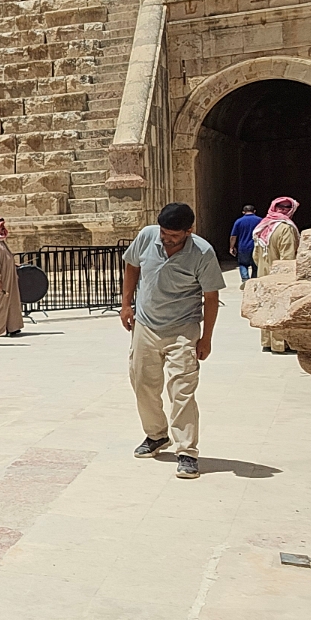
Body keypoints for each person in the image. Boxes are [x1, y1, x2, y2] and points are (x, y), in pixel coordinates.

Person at [122, 201, 225, 480]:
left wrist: (206, 338)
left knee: (182, 390)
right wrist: (126, 304)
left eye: (174, 236)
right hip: (146, 325)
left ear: (189, 231)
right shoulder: (147, 236)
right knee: (142, 382)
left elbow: (211, 297)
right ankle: (156, 435)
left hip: (183, 328)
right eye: (164, 233)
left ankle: (187, 451)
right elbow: (132, 265)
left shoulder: (203, 252)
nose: (166, 239)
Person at [253, 196, 301, 352]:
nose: (284, 210)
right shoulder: (286, 228)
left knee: (266, 307)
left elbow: (255, 255)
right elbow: (288, 256)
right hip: (279, 275)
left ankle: (267, 341)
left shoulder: (263, 226)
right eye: (283, 207)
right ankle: (279, 344)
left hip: (263, 273)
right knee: (280, 308)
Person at [228, 204, 261, 288]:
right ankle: (253, 281)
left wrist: (231, 247)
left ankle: (245, 280)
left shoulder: (238, 221)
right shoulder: (260, 221)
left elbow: (233, 236)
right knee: (256, 265)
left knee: (243, 264)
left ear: (243, 212)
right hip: (257, 246)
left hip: (243, 247)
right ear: (254, 211)